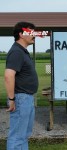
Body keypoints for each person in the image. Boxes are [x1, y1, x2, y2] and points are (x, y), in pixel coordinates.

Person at [4, 21, 39, 150]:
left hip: (26, 98)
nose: (34, 35)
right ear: (21, 34)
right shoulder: (17, 52)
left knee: (23, 135)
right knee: (18, 136)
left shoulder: (22, 51)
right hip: (20, 98)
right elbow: (8, 76)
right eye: (30, 32)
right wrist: (12, 99)